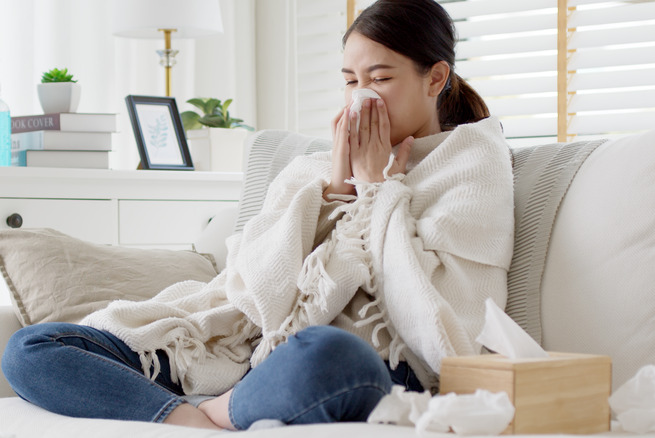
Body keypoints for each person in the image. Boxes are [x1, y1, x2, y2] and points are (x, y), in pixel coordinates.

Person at [1, 0, 514, 431]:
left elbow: (441, 331)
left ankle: (233, 405)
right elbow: (251, 294)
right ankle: (191, 417)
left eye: (379, 78)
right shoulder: (312, 170)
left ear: (436, 78)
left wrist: (379, 190)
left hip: (358, 361)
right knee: (30, 348)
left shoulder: (470, 164)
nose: (360, 96)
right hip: (239, 356)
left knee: (335, 357)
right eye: (349, 79)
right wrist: (336, 189)